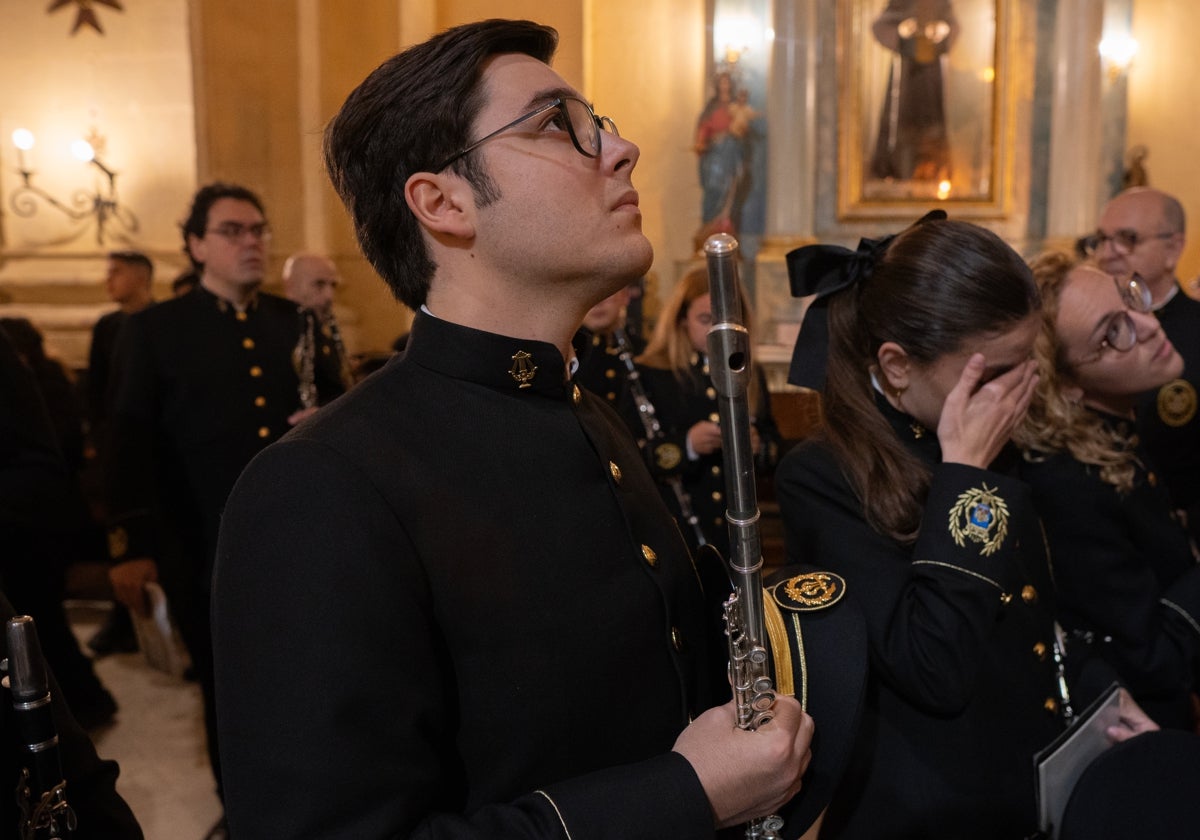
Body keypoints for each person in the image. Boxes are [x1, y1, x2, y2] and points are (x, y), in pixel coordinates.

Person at [212, 19, 815, 839]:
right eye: (556, 125)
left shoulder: (587, 415)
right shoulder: (323, 483)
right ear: (443, 203)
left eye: (597, 121)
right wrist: (686, 794)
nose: (622, 146)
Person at [776, 212, 1101, 838]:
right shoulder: (821, 476)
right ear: (897, 366)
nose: (1021, 390)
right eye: (995, 371)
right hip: (928, 808)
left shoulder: (987, 424)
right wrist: (967, 474)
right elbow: (931, 667)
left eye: (1026, 359)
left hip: (1021, 778)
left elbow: (1037, 607)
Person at [103, 182, 341, 816]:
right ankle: (244, 809)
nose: (252, 242)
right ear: (196, 245)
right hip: (202, 543)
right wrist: (130, 546)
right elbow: (127, 441)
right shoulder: (156, 330)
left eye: (259, 229)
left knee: (313, 673)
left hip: (300, 536)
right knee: (230, 687)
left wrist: (328, 419)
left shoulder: (293, 322)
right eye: (233, 231)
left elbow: (346, 408)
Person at [1014, 252, 1200, 730]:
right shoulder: (1068, 483)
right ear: (1069, 386)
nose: (1149, 324)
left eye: (1130, 295)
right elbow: (1153, 660)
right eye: (1113, 332)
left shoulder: (1116, 430)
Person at [623, 266, 780, 560]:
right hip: (677, 529)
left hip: (736, 534)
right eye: (705, 320)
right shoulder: (652, 373)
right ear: (682, 320)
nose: (716, 332)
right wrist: (687, 446)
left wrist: (756, 445)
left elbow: (774, 448)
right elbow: (630, 458)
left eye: (727, 321)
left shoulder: (749, 373)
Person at [1085, 187, 1200, 546]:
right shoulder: (1082, 328)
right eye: (1102, 239)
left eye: (1127, 239)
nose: (1108, 253)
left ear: (1173, 248)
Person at [86, 250, 155, 658]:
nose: (107, 280)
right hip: (116, 441)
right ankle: (121, 618)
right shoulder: (107, 327)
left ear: (140, 275)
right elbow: (97, 390)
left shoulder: (164, 322)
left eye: (115, 272)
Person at [868, 0, 959, 182]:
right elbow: (881, 25)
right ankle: (896, 172)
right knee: (901, 128)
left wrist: (943, 29)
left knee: (932, 127)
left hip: (931, 74)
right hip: (906, 73)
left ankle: (932, 171)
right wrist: (902, 29)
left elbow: (952, 25)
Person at [280, 252, 351, 401]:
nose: (329, 296)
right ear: (290, 286)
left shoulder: (326, 341)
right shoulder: (277, 337)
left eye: (333, 285)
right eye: (319, 284)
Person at [572, 283, 641, 408]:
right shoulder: (566, 353)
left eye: (607, 293)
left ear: (625, 296)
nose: (597, 303)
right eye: (589, 295)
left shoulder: (645, 352)